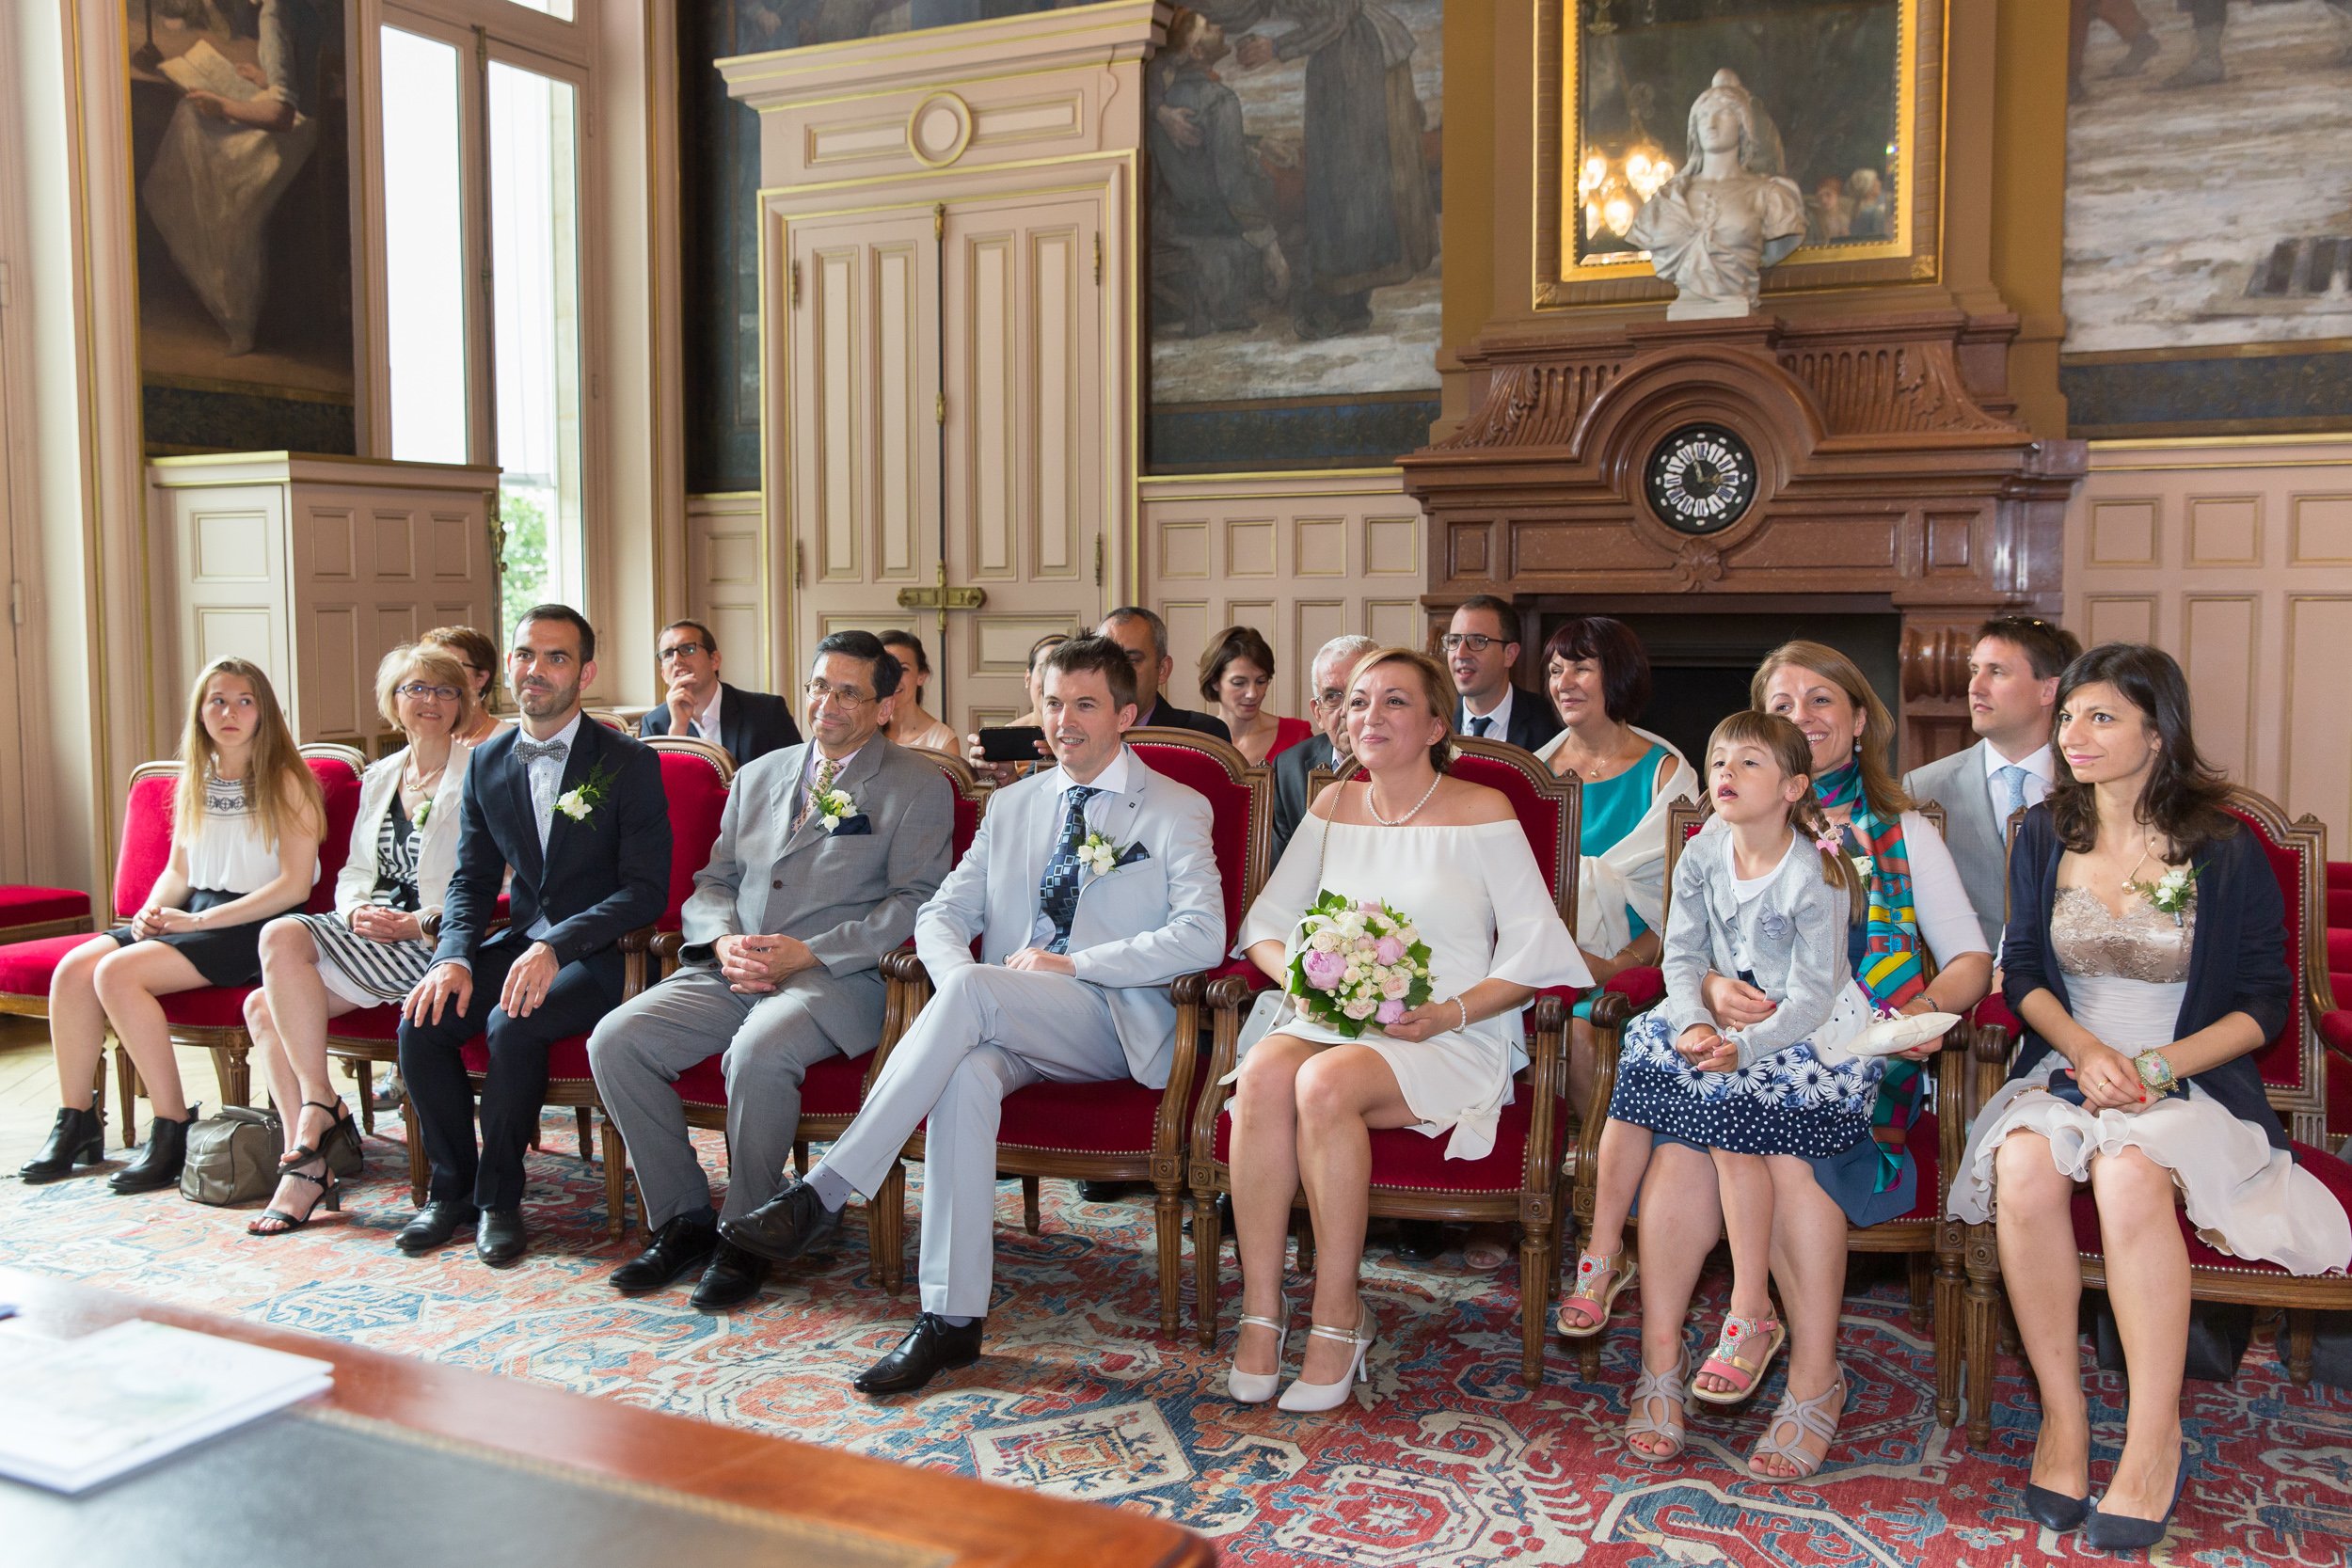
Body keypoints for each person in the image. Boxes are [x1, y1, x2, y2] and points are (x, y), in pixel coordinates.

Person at [719, 635, 1225, 1393]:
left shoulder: (1177, 807)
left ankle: (825, 1191)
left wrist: (1076, 963)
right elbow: (942, 911)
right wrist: (963, 984)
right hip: (1000, 1010)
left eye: (1085, 704)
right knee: (964, 1077)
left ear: (1125, 713)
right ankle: (950, 1319)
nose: (1064, 721)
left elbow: (1203, 934)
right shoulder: (1013, 803)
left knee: (975, 1002)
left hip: (1112, 1018)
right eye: (1052, 703)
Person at [1950, 643, 2350, 1551]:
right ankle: (2064, 1416)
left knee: (2130, 1172)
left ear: (2157, 732)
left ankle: (2153, 1435)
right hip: (2069, 1063)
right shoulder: (2045, 832)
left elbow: (2262, 1003)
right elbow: (2021, 975)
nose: (2074, 735)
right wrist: (2086, 1052)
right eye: (2070, 718)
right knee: (2021, 1162)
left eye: (2100, 717)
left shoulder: (2222, 845)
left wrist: (2158, 1069)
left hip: (2191, 1076)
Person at [1623, 641, 1992, 1478]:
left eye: (1821, 700)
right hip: (1739, 1046)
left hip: (1858, 1059)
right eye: (1779, 705)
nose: (1801, 718)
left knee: (1791, 1156)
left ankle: (1814, 1383)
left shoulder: (1897, 831)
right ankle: (1660, 1370)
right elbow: (1686, 951)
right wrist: (1713, 987)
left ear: (1860, 721)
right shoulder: (1719, 830)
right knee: (1682, 1147)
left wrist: (1923, 1014)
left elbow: (1970, 958)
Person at [1222, 647, 1587, 1410]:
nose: (1370, 717)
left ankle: (1337, 1316)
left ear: (1434, 725)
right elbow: (1266, 924)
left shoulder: (1484, 810)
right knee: (1260, 1071)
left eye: (1393, 701)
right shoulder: (1330, 807)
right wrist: (1304, 970)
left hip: (1447, 1031)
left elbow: (1536, 949)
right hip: (1331, 1018)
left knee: (1322, 1083)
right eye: (1357, 702)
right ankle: (1260, 1313)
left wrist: (1451, 1011)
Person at [588, 632, 953, 1311]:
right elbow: (712, 879)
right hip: (734, 968)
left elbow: (917, 902)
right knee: (615, 1039)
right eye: (819, 685)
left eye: (848, 691)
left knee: (756, 1053)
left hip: (837, 977)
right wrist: (721, 940)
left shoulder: (917, 784)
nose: (828, 703)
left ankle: (749, 1235)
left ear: (884, 706)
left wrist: (812, 952)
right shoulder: (759, 773)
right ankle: (683, 1217)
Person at [1563, 713, 1875, 1453]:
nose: (1727, 772)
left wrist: (1743, 1043)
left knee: (1727, 1113)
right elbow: (1680, 955)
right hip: (1718, 1025)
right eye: (1718, 757)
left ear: (1795, 788)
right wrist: (1694, 1019)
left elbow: (1813, 996)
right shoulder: (1703, 851)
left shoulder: (1814, 873)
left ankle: (1749, 1308)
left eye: (1750, 762)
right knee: (1638, 1069)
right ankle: (1602, 1255)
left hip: (1803, 1044)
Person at [396, 606, 671, 1268]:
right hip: (522, 941)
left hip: (604, 955)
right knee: (421, 1020)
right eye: (525, 654)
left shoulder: (627, 762)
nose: (536, 670)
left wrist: (557, 945)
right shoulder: (488, 760)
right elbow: (470, 878)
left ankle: (499, 1200)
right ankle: (451, 1188)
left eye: (555, 657)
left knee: (511, 1023)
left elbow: (644, 890)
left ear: (586, 673)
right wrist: (453, 956)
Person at [22, 660, 325, 1192]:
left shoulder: (287, 780)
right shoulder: (196, 779)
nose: (229, 712)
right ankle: (77, 1123)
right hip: (197, 912)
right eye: (217, 700)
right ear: (200, 710)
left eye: (244, 700)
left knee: (116, 974)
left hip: (259, 922)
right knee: (73, 970)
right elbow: (179, 871)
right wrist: (153, 910)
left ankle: (173, 1125)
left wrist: (199, 919)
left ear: (265, 711)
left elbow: (294, 886)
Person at [240, 644, 474, 1234]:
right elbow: (351, 874)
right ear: (393, 702)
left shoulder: (481, 772)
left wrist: (420, 920)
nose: (431, 701)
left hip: (429, 943)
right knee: (261, 1000)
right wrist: (355, 912)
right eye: (416, 689)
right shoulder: (379, 777)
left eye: (445, 690)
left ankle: (313, 1131)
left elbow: (496, 881)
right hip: (369, 936)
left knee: (274, 956)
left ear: (462, 702)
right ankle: (312, 1143)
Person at [1531, 616, 1695, 1110]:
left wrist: (1612, 966)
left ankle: (1597, 1175)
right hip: (1534, 963)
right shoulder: (1532, 773)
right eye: (1556, 670)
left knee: (1580, 1032)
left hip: (1629, 969)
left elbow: (1684, 905)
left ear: (1618, 675)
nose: (1563, 683)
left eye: (1581, 668)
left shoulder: (1666, 775)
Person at [1903, 616, 2083, 952]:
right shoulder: (1924, 788)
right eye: (1974, 670)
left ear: (2049, 689)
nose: (1974, 687)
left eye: (1996, 672)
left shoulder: (2088, 786)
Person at [1626, 70, 1805, 317]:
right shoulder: (1664, 201)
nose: (1711, 124)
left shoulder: (1772, 196)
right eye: (1703, 116)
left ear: (1742, 126)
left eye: (1723, 114)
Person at [1269, 633, 1379, 865]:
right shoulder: (1289, 768)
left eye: (1357, 694)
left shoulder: (1417, 760)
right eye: (1332, 697)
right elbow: (1281, 869)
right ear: (1318, 712)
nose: (1345, 711)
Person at [637, 619, 803, 765]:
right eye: (667, 654)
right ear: (664, 674)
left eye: (687, 649)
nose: (676, 660)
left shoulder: (766, 711)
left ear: (714, 660)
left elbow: (797, 773)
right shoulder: (654, 725)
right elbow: (657, 791)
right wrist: (678, 728)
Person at [1446, 595, 1561, 753]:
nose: (1460, 653)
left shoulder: (1550, 721)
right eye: (1454, 641)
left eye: (1478, 641)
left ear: (1510, 654)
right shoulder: (1433, 718)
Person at [1098, 607, 1231, 739]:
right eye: (1107, 660)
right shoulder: (1080, 731)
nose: (1116, 672)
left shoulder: (1202, 736)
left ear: (1163, 670)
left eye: (1132, 661)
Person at [964, 630, 1070, 786]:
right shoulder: (1008, 736)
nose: (1051, 680)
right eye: (1044, 669)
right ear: (1028, 677)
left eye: (1063, 670)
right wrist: (995, 776)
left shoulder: (1082, 737)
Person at [1198, 625, 1311, 766]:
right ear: (1215, 682)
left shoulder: (1297, 734)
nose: (1253, 694)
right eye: (1239, 683)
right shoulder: (1198, 741)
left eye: (1261, 681)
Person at [420, 626, 508, 745]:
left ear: (481, 678)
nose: (437, 676)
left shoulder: (506, 742)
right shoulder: (432, 737)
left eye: (451, 666)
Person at [878, 629, 960, 753]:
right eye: (885, 668)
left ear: (921, 676)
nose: (893, 677)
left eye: (903, 669)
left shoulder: (943, 741)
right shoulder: (861, 733)